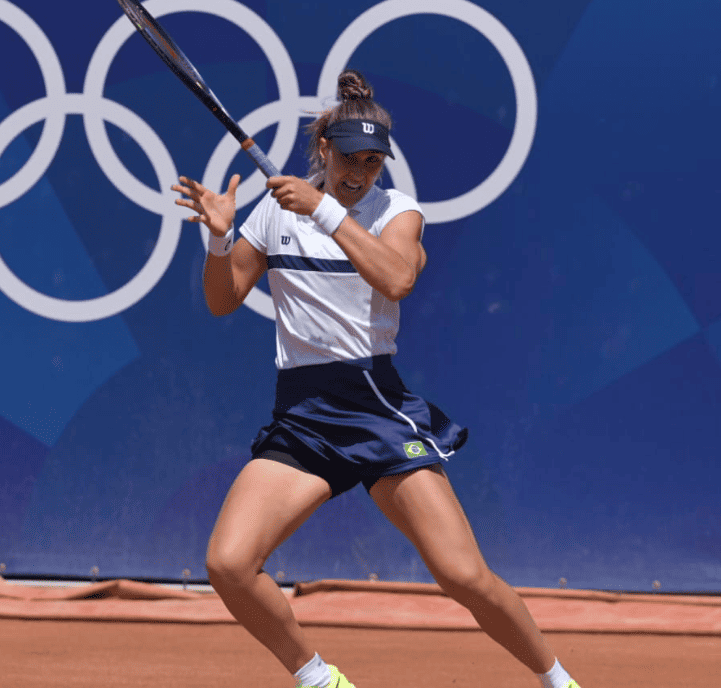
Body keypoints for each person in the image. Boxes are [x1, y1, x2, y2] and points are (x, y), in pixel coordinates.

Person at [170, 70, 581, 688]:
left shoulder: (398, 211)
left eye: (372, 161)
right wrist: (221, 237)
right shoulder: (274, 216)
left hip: (376, 408)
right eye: (349, 159)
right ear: (323, 151)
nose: (360, 172)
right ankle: (318, 678)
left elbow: (396, 279)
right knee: (228, 563)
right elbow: (223, 300)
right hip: (303, 415)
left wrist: (326, 209)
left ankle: (558, 681)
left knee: (462, 576)